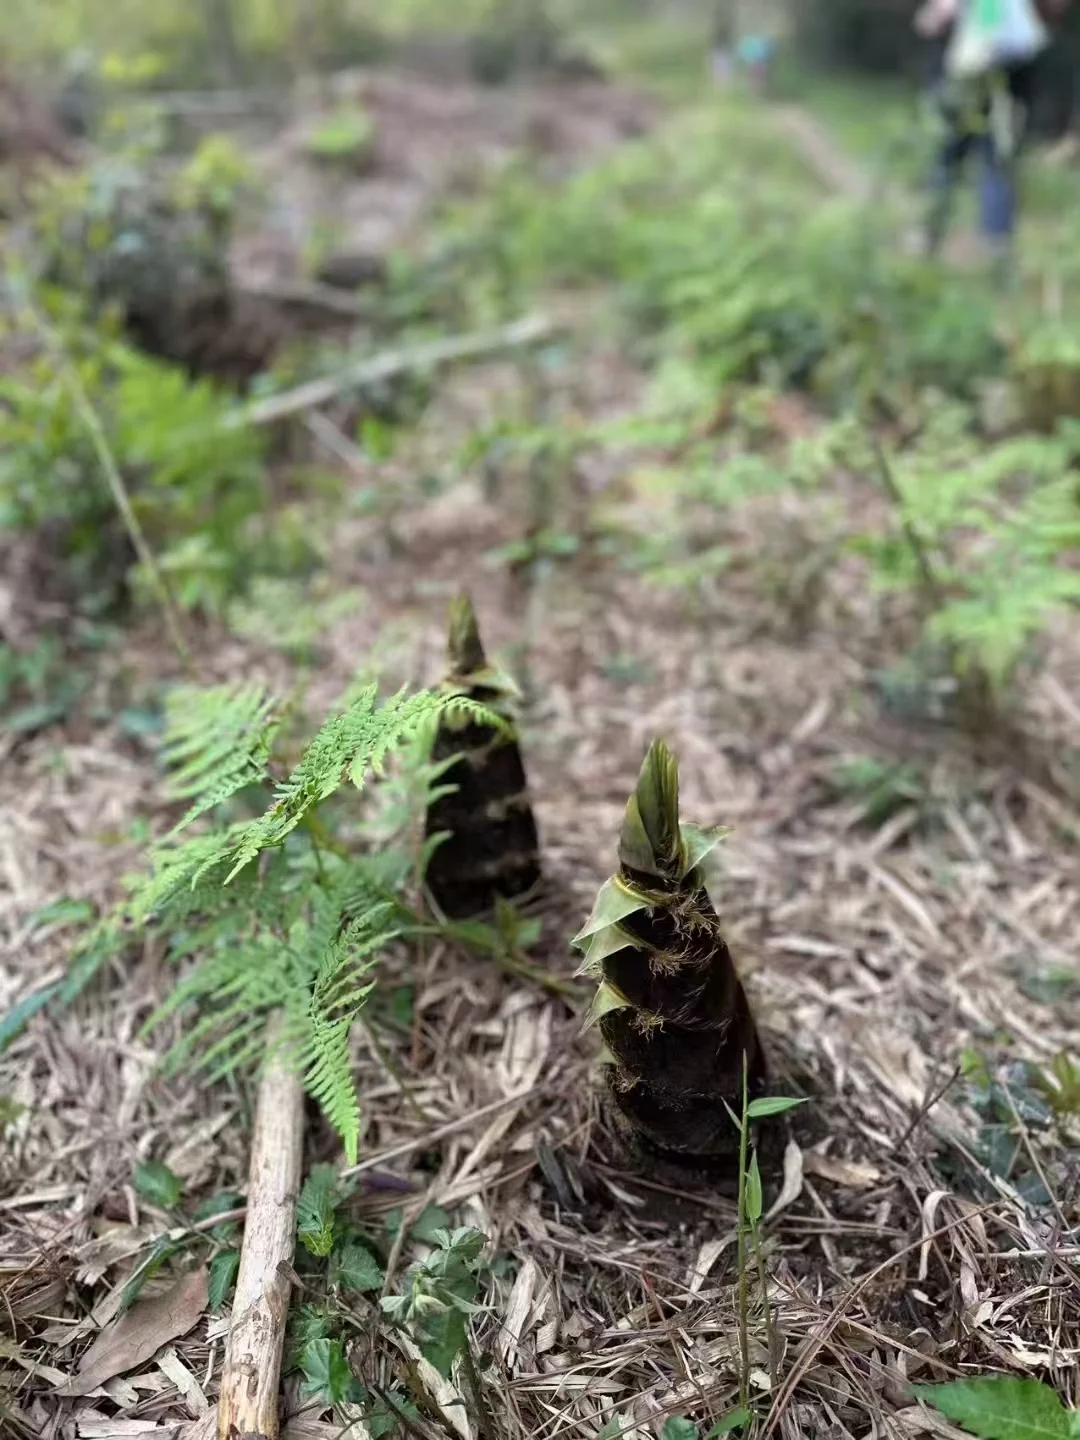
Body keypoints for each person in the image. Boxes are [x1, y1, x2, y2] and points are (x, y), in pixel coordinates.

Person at [916, 0, 1071, 269]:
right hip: (1010, 72)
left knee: (953, 156)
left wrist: (946, 17)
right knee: (994, 161)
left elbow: (978, 17)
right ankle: (994, 247)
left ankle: (932, 233)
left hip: (982, 72)